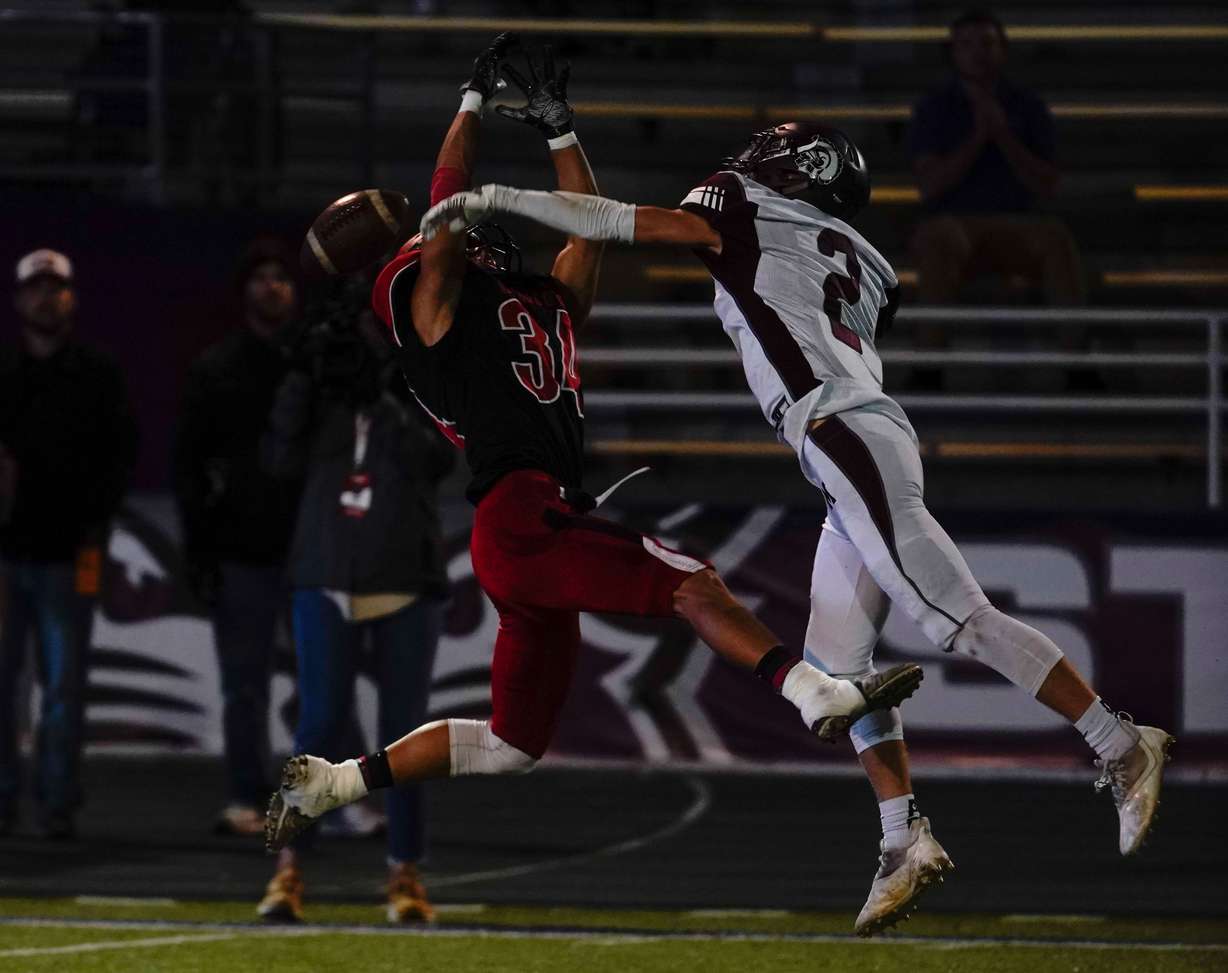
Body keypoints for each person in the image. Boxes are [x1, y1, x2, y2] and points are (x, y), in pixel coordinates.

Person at [423, 117, 1175, 934]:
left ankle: (1119, 739)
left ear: (798, 169)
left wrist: (503, 197)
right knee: (838, 667)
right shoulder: (862, 259)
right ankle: (903, 839)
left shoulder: (743, 204)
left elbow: (622, 222)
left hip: (841, 430)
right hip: (852, 440)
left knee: (955, 615)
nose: (753, 157)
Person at [264, 35, 922, 863]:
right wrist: (467, 106)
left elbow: (591, 232)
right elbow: (445, 207)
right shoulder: (428, 307)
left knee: (514, 742)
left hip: (532, 520)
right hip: (520, 512)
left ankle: (338, 782)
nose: (487, 242)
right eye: (467, 243)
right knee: (692, 582)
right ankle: (814, 690)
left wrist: (558, 128)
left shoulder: (535, 302)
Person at [255, 282, 453, 924]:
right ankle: (287, 871)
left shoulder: (423, 382)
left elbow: (437, 461)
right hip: (327, 571)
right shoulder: (322, 393)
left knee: (404, 737)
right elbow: (277, 460)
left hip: (402, 574)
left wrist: (390, 395)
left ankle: (405, 871)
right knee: (316, 726)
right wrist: (302, 375)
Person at [0, 249, 138, 838]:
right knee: (3, 687)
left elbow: (121, 458)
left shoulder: (98, 374)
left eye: (56, 288)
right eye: (36, 288)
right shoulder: (3, 374)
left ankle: (57, 803)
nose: (45, 298)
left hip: (73, 555)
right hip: (5, 559)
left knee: (63, 688)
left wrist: (94, 527)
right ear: (18, 300)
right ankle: (4, 801)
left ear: (71, 299)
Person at [172, 239, 303, 836]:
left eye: (281, 276)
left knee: (324, 687)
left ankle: (326, 799)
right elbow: (189, 466)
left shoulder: (316, 366)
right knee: (244, 686)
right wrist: (201, 550)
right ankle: (246, 797)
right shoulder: (217, 367)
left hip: (312, 554)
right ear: (244, 291)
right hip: (243, 553)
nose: (271, 286)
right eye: (261, 277)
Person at [908, 9, 1085, 308]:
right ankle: (932, 349)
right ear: (952, 53)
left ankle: (1074, 348)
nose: (978, 53)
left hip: (1018, 222)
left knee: (1056, 238)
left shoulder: (1027, 105)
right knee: (935, 240)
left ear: (1003, 50)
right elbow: (930, 186)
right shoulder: (934, 107)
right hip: (954, 223)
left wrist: (1004, 137)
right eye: (966, 45)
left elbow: (1049, 186)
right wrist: (977, 138)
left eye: (987, 44)